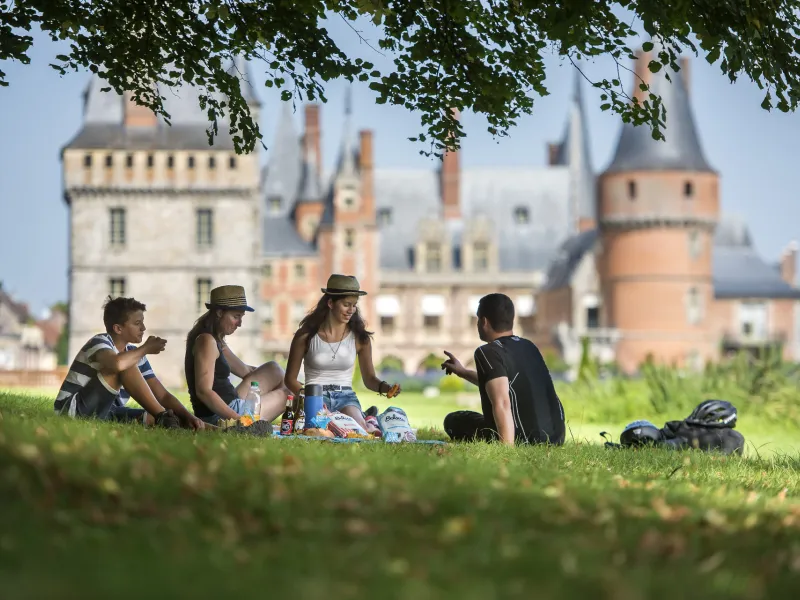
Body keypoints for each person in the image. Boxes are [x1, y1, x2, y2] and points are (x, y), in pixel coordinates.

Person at [54, 296, 204, 430]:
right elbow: (117, 364)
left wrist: (188, 415)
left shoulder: (134, 353)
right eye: (137, 323)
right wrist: (145, 348)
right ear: (118, 328)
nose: (143, 328)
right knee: (125, 364)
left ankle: (216, 429)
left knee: (158, 417)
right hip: (72, 410)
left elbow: (163, 395)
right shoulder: (99, 342)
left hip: (108, 411)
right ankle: (163, 416)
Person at [440, 293, 565, 445]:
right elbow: (504, 386)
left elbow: (502, 401)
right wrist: (464, 372)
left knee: (454, 421)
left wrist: (506, 449)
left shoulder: (487, 352)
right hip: (555, 438)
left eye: (478, 319)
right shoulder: (529, 346)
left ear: (484, 321)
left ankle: (507, 441)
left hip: (523, 438)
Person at [284, 274, 401, 434]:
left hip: (345, 397)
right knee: (322, 429)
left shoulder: (360, 338)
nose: (351, 310)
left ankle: (367, 420)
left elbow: (369, 379)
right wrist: (310, 399)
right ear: (331, 303)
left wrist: (385, 387)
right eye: (346, 304)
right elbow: (290, 379)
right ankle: (367, 417)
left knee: (359, 431)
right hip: (315, 395)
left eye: (354, 305)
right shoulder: (305, 336)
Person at [185, 284, 290, 425]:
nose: (239, 323)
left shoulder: (215, 339)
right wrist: (238, 420)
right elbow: (203, 391)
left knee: (274, 369)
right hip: (222, 415)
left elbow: (246, 371)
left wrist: (294, 383)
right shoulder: (206, 341)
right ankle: (297, 420)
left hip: (231, 402)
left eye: (241, 317)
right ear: (219, 312)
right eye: (236, 316)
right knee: (286, 395)